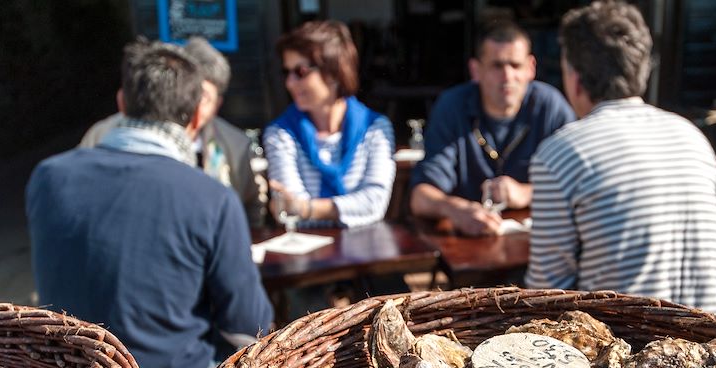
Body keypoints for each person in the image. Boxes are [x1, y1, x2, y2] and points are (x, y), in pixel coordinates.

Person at [27, 39, 273, 368]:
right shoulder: (210, 198)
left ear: (122, 101)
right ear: (196, 116)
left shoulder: (47, 178)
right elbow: (249, 325)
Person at [525, 2, 716, 316]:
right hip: (715, 341)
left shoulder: (562, 153)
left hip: (629, 351)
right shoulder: (692, 137)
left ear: (575, 78)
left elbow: (547, 295)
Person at [409, 22, 575, 236]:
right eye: (497, 66)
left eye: (515, 65)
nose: (507, 77)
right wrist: (455, 209)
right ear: (475, 70)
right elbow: (420, 197)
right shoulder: (452, 106)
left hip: (540, 241)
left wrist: (526, 193)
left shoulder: (551, 107)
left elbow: (577, 185)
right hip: (470, 242)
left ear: (530, 68)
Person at [79, 37, 265, 226]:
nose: (193, 103)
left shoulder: (236, 145)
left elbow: (252, 208)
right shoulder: (104, 135)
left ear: (218, 104)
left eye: (204, 97)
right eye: (191, 93)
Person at [264, 21, 395, 228]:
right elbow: (290, 213)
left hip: (367, 253)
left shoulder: (376, 128)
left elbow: (375, 203)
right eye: (286, 72)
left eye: (300, 72)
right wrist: (343, 209)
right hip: (307, 253)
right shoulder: (279, 133)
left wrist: (308, 209)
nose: (289, 83)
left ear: (334, 72)